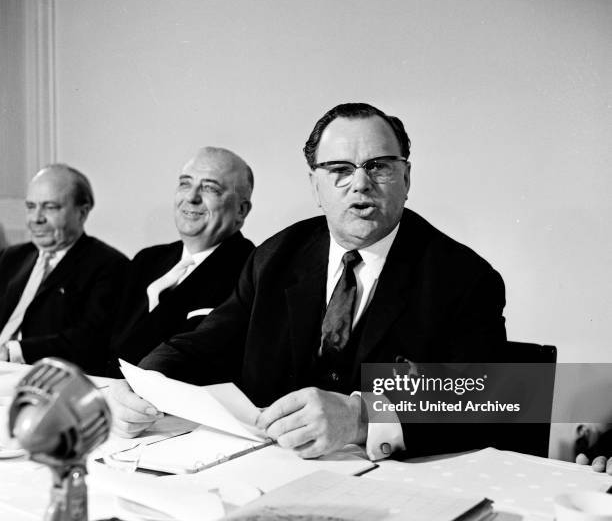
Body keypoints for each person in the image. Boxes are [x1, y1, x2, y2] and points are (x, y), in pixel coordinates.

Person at [109, 102, 514, 458]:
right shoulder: (274, 257)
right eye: (339, 170)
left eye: (379, 167)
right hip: (270, 467)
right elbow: (203, 343)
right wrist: (146, 382)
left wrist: (361, 418)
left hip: (394, 480)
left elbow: (484, 398)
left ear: (406, 179)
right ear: (315, 186)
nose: (360, 183)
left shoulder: (464, 278)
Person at [107, 147, 255, 374]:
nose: (191, 197)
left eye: (209, 188)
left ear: (241, 211)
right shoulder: (147, 260)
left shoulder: (251, 272)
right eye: (185, 183)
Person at [0, 164, 127, 375]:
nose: (36, 218)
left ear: (82, 212)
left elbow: (90, 340)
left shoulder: (110, 266)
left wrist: (13, 351)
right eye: (31, 206)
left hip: (42, 378)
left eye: (50, 207)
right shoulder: (11, 258)